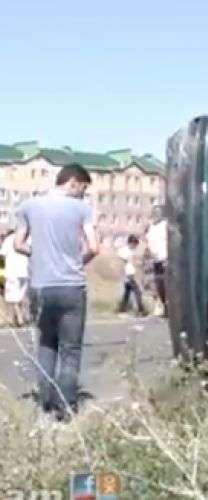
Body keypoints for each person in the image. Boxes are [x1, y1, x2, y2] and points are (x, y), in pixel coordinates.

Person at [14, 163, 99, 421]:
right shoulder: (82, 209)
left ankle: (45, 407)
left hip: (41, 286)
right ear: (72, 182)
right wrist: (76, 262)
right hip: (72, 287)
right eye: (83, 188)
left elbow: (18, 244)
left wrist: (39, 256)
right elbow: (94, 247)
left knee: (46, 345)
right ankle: (66, 409)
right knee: (70, 350)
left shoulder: (28, 206)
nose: (83, 194)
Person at [1, 229, 30, 326]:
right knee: (22, 296)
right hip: (25, 272)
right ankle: (23, 317)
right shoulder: (29, 238)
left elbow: (1, 257)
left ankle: (19, 318)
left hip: (12, 272)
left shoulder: (9, 239)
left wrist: (1, 274)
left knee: (13, 298)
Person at [145, 205, 168, 316]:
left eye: (158, 212)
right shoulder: (151, 227)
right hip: (155, 260)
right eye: (154, 212)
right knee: (158, 284)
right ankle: (164, 306)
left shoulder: (165, 225)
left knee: (166, 283)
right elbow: (149, 242)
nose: (156, 215)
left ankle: (169, 307)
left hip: (165, 259)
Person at [117, 235, 147, 316]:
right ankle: (141, 310)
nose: (135, 247)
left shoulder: (131, 251)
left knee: (127, 293)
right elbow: (122, 263)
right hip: (128, 275)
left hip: (131, 274)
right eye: (134, 244)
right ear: (130, 243)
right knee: (137, 292)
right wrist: (125, 275)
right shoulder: (124, 251)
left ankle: (122, 310)